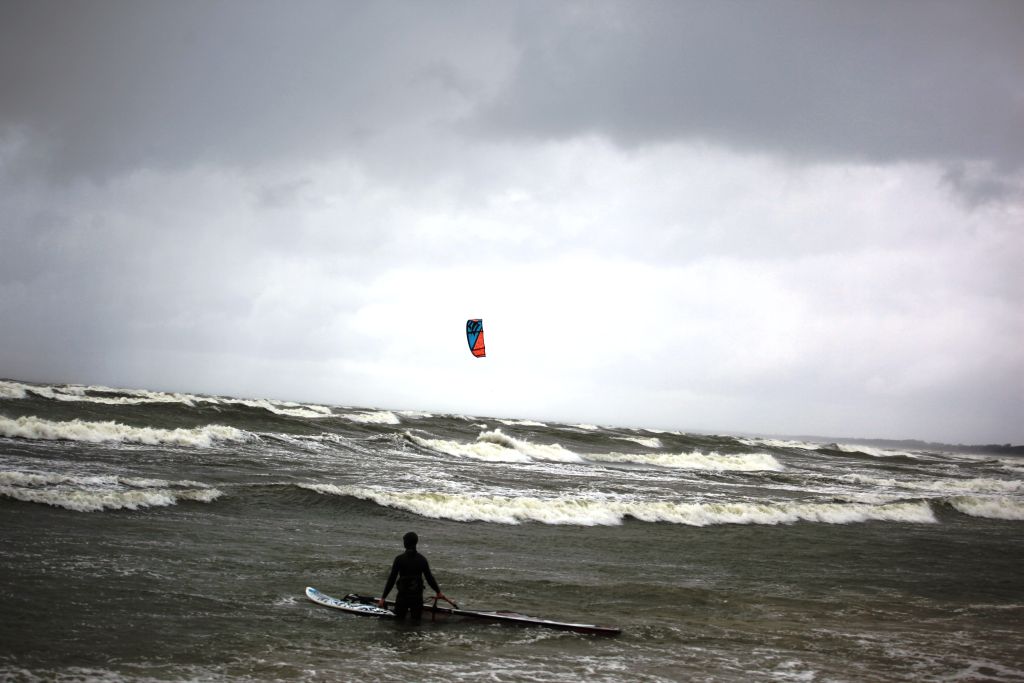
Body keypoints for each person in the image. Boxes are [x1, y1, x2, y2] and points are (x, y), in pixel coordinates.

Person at [378, 531, 448, 620]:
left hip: (403, 597)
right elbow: (429, 578)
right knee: (416, 622)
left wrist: (383, 598)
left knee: (399, 622)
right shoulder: (422, 560)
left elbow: (392, 579)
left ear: (405, 543)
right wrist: (438, 592)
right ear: (416, 543)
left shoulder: (399, 559)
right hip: (416, 598)